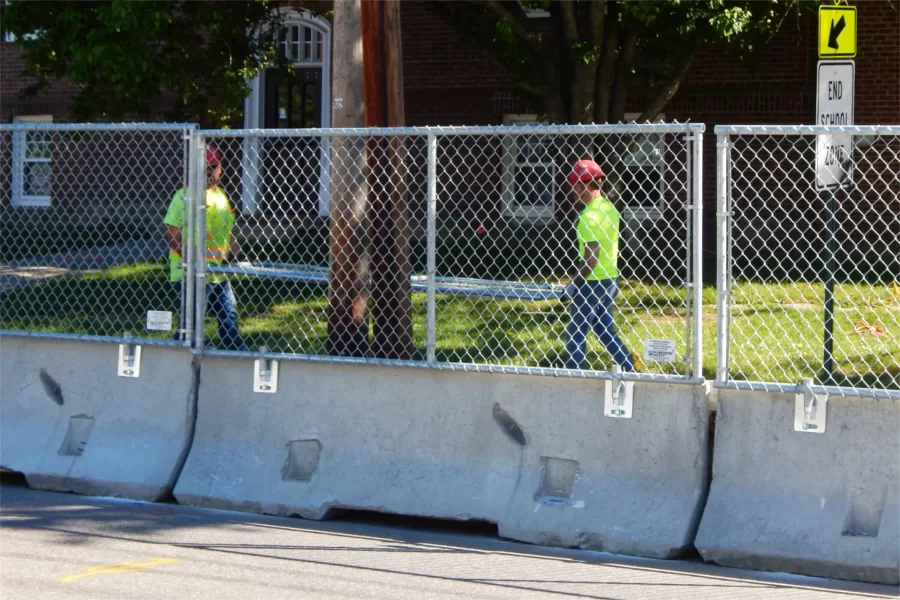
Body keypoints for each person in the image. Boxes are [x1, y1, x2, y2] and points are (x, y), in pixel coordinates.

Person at [164, 146, 246, 351]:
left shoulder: (221, 197)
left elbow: (227, 233)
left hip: (217, 273)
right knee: (191, 324)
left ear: (220, 169)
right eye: (203, 168)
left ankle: (238, 357)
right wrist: (190, 261)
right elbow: (171, 231)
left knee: (229, 317)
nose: (208, 172)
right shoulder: (184, 196)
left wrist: (239, 256)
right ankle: (176, 358)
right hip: (190, 272)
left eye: (212, 167)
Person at [564, 159, 637, 372]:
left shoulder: (588, 217)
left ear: (584, 185)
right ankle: (629, 367)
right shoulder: (609, 208)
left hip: (591, 282)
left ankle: (574, 374)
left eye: (575, 186)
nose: (573, 192)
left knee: (576, 330)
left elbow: (590, 260)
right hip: (611, 278)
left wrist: (573, 285)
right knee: (604, 329)